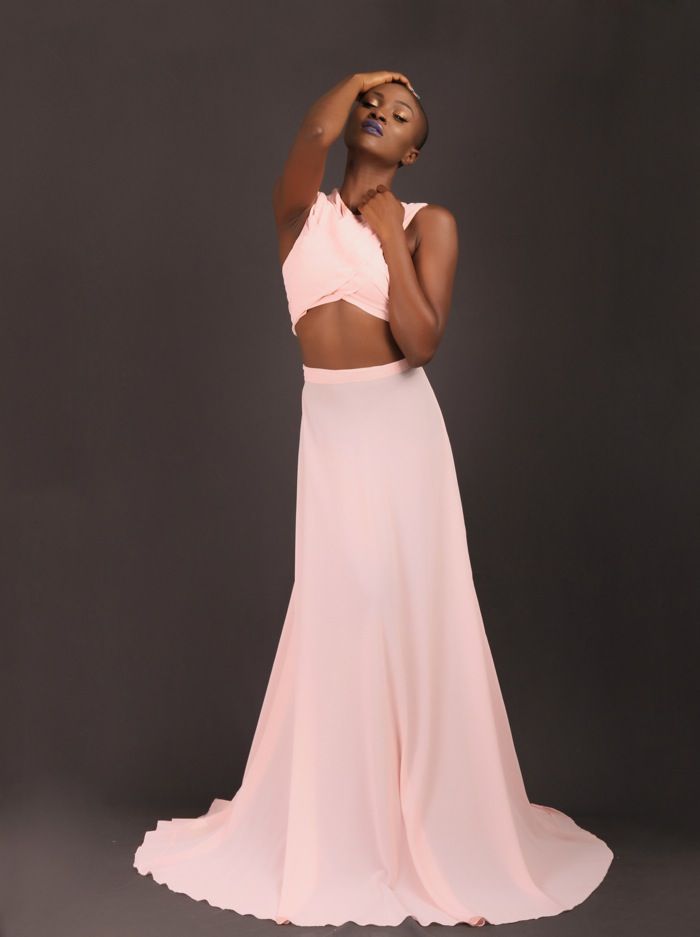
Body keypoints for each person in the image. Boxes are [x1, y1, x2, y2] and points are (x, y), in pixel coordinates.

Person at [133, 71, 614, 927]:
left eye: (400, 114)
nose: (381, 115)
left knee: (413, 616)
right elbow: (309, 140)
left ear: (413, 151)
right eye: (373, 105)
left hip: (402, 435)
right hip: (330, 434)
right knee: (341, 614)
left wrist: (392, 237)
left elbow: (422, 341)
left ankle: (448, 847)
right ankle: (328, 844)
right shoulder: (299, 213)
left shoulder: (431, 223)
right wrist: (356, 78)